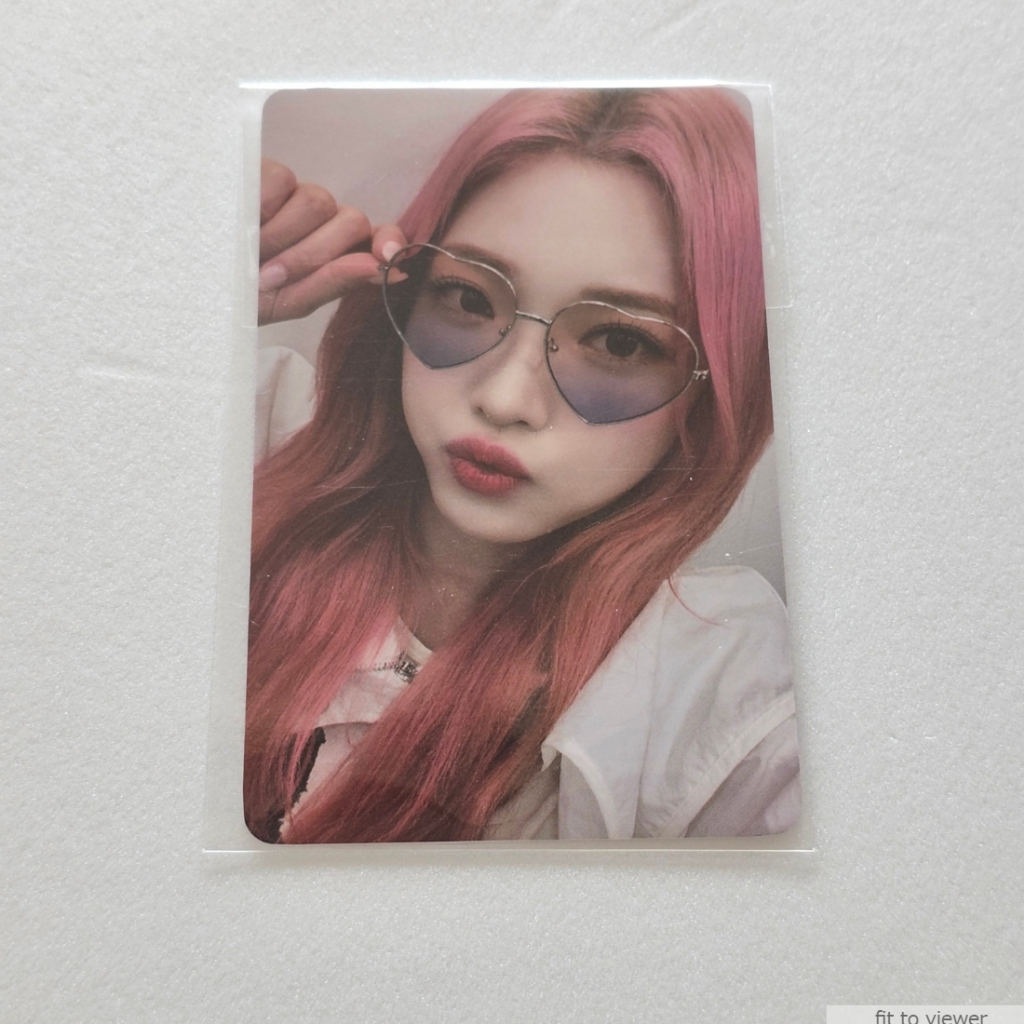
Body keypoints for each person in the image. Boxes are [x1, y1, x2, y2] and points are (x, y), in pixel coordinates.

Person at [245, 87, 800, 844]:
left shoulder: (722, 702)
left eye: (620, 342)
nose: (505, 400)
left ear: (713, 397)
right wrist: (175, 313)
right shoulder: (249, 442)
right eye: (468, 298)